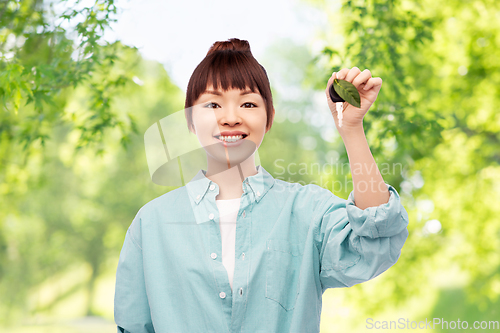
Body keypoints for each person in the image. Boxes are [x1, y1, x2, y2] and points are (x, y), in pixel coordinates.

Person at [114, 38, 409, 333]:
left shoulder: (306, 210)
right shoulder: (152, 223)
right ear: (190, 119)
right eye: (213, 104)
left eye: (248, 103)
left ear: (269, 118)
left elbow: (375, 243)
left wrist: (351, 128)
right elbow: (133, 326)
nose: (230, 118)